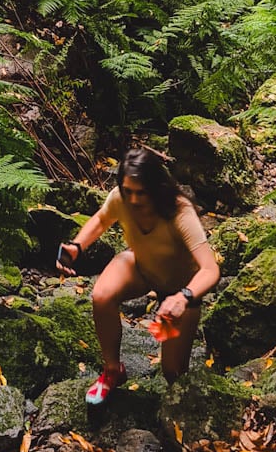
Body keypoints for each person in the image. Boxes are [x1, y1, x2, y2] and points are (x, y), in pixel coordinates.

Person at [56, 146, 221, 404]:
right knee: (101, 295)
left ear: (156, 188)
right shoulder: (120, 197)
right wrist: (77, 247)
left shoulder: (179, 211)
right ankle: (112, 371)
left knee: (173, 373)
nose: (133, 200)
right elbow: (101, 219)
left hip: (180, 292)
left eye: (141, 193)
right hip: (142, 267)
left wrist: (183, 297)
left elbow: (211, 269)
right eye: (128, 191)